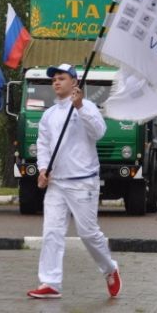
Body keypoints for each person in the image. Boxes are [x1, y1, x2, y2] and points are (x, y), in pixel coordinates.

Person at [27, 63, 121, 300]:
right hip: (57, 183)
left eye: (61, 78)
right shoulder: (49, 114)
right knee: (51, 231)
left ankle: (109, 268)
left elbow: (99, 131)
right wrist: (43, 169)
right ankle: (50, 282)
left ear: (74, 83)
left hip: (83, 182)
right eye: (54, 79)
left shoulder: (86, 107)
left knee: (88, 233)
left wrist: (80, 107)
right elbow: (43, 144)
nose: (56, 82)